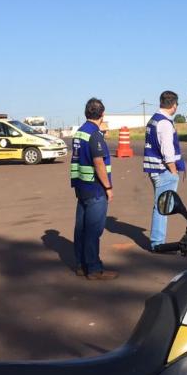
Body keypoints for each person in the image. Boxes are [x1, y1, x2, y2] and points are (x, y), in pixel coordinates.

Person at [70, 98, 118, 280]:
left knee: (81, 229)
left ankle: (81, 265)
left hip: (81, 186)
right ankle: (94, 269)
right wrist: (108, 187)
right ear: (102, 114)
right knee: (93, 230)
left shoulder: (80, 132)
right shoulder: (94, 135)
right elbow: (99, 163)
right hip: (96, 189)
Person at [143, 90, 185, 252]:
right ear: (174, 105)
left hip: (154, 169)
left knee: (161, 205)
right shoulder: (165, 123)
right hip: (163, 171)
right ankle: (158, 243)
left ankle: (157, 241)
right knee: (163, 206)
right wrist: (173, 171)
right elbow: (167, 150)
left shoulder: (154, 120)